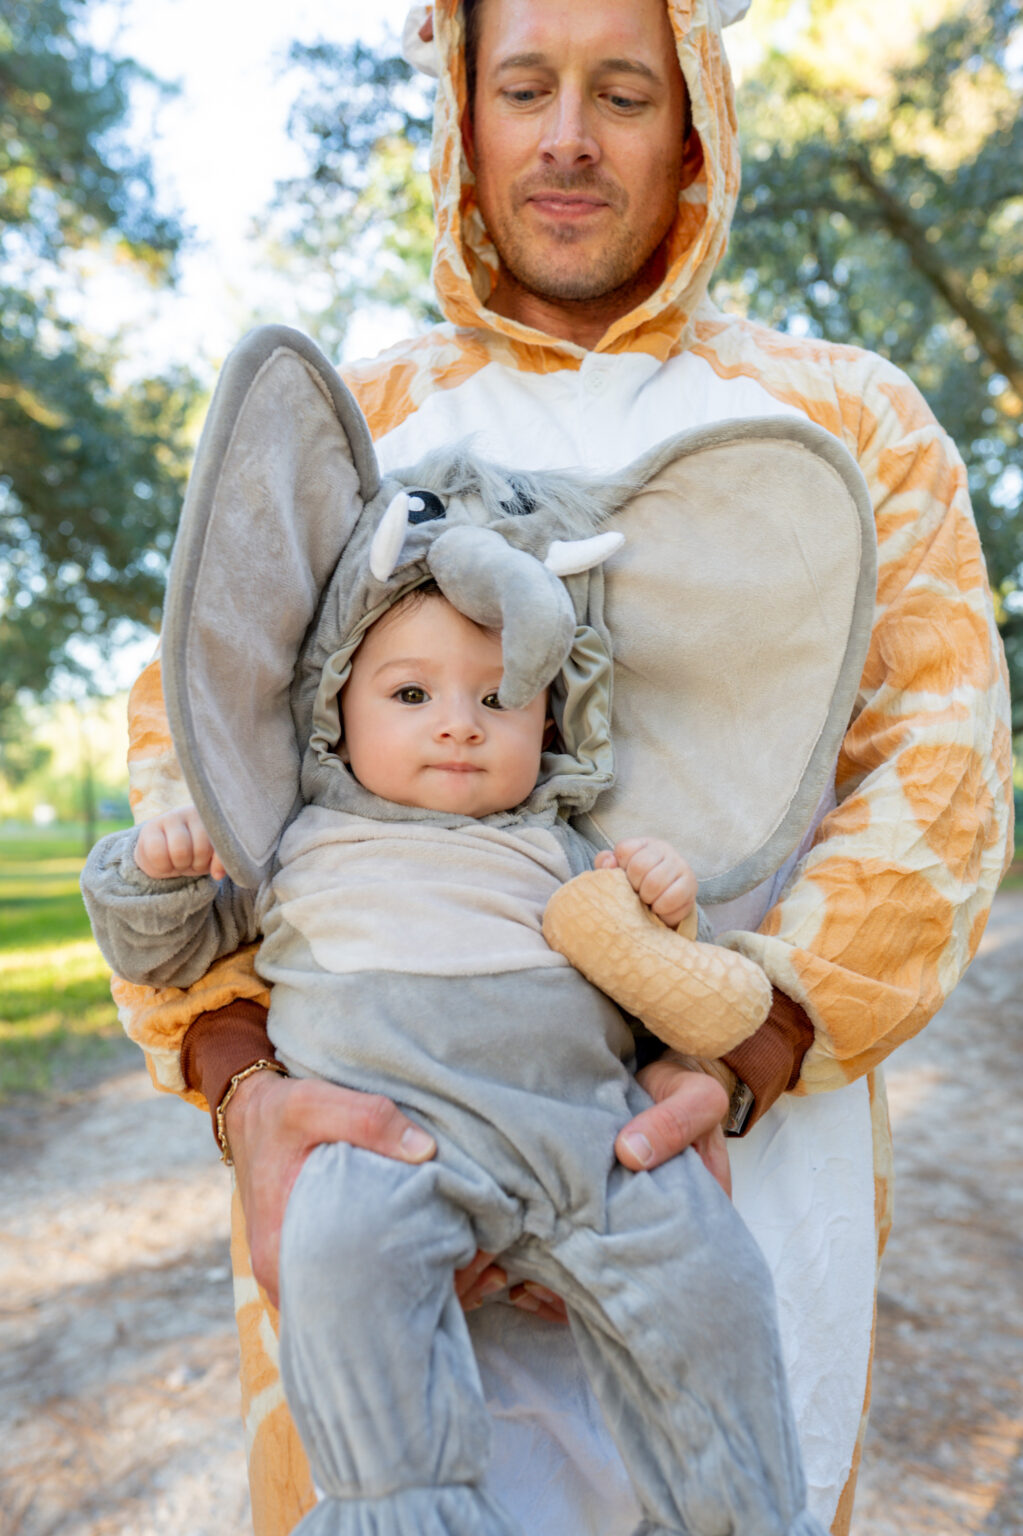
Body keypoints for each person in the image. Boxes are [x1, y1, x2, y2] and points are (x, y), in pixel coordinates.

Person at [109, 1, 1013, 1533]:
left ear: (698, 121)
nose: (568, 138)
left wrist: (735, 1057)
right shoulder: (359, 423)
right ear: (462, 110)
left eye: (621, 91)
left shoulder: (850, 418)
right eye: (523, 86)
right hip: (387, 1175)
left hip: (730, 1181)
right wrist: (246, 1090)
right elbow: (190, 763)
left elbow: (939, 778)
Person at [85, 578, 828, 1536]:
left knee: (712, 1275)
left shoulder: (564, 848)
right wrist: (152, 873)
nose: (459, 727)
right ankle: (402, 1510)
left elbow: (661, 985)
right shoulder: (292, 848)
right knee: (339, 1264)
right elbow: (166, 955)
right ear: (333, 710)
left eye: (499, 698)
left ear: (551, 722)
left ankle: (742, 1512)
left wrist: (662, 898)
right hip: (385, 1147)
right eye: (410, 695)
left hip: (585, 1140)